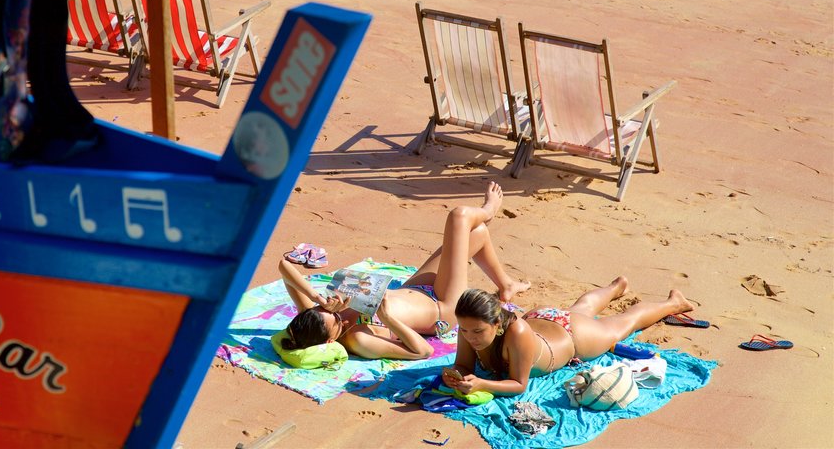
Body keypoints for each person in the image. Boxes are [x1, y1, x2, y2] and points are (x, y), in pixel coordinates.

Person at [278, 182, 529, 360]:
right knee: (459, 217)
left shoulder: (312, 315)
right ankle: (488, 211)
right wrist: (388, 320)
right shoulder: (358, 340)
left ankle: (505, 285)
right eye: (336, 322)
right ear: (330, 340)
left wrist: (317, 299)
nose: (339, 315)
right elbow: (423, 351)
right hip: (442, 308)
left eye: (326, 311)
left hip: (415, 287)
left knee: (477, 234)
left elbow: (284, 266)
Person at [442, 278, 695, 396]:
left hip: (571, 335)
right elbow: (463, 364)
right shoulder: (470, 325)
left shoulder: (515, 332)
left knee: (622, 324)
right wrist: (454, 373)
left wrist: (483, 384)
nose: (469, 337)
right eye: (464, 330)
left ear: (497, 323)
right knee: (581, 309)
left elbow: (519, 385)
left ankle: (674, 303)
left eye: (476, 332)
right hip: (542, 321)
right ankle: (616, 287)